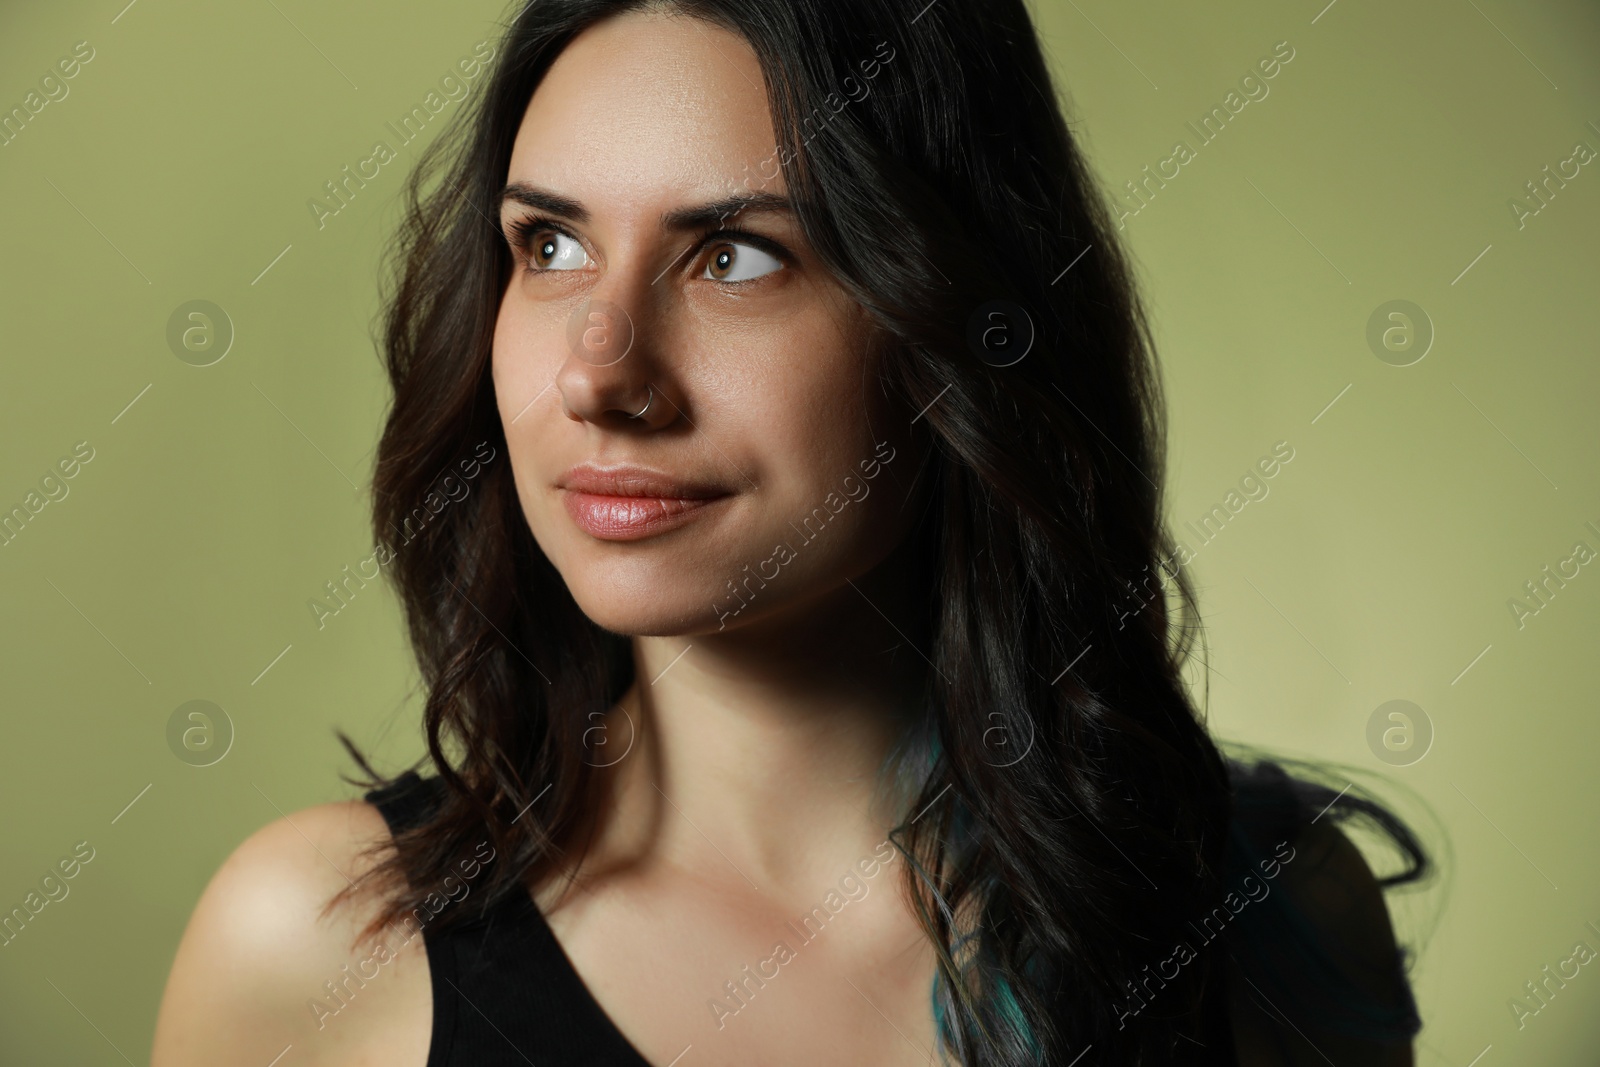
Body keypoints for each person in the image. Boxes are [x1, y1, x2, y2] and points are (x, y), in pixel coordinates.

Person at [152, 1, 1431, 1064]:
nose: (600, 371)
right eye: (548, 244)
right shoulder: (314, 950)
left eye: (735, 256)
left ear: (956, 322)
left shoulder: (1259, 920)